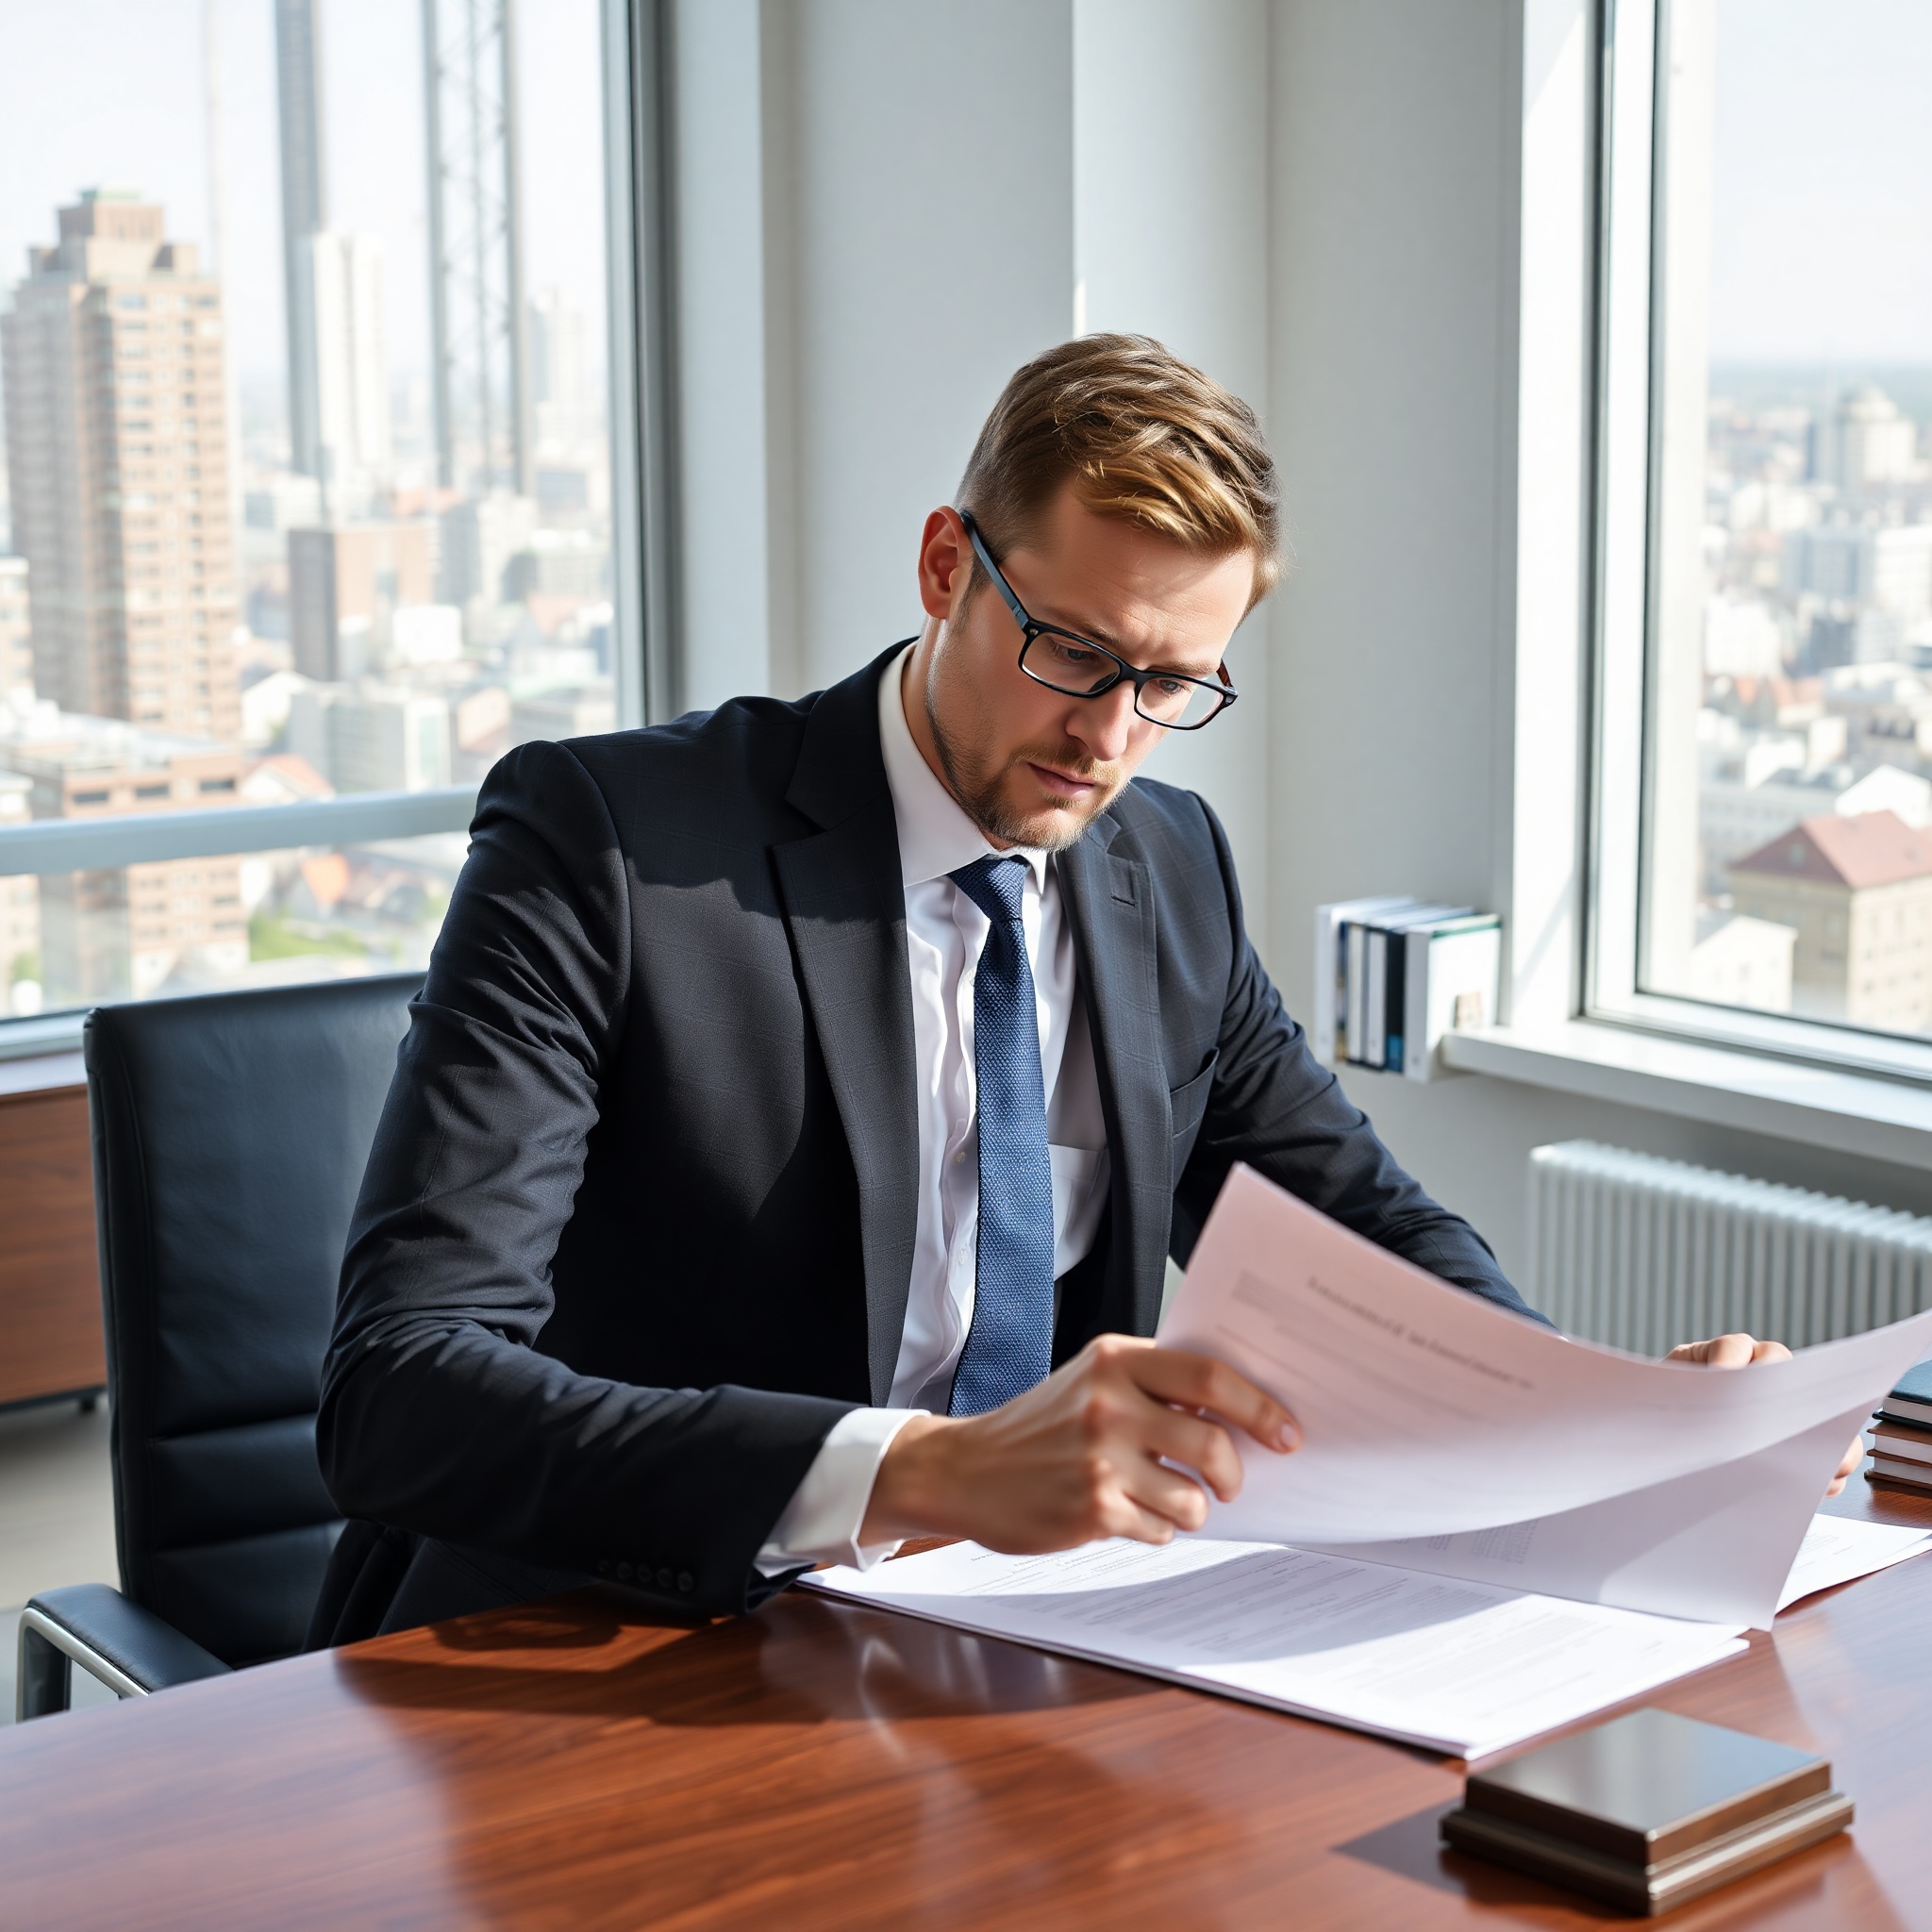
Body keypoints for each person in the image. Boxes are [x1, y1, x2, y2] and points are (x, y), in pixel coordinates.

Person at [311, 335, 1852, 1640]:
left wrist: (1600, 1417)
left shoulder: (1164, 868)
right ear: (944, 566)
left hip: (1018, 1644)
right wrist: (921, 1471)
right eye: (1073, 652)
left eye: (1174, 685)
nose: (1112, 737)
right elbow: (404, 1394)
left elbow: (1359, 1228)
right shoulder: (616, 846)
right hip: (618, 1642)